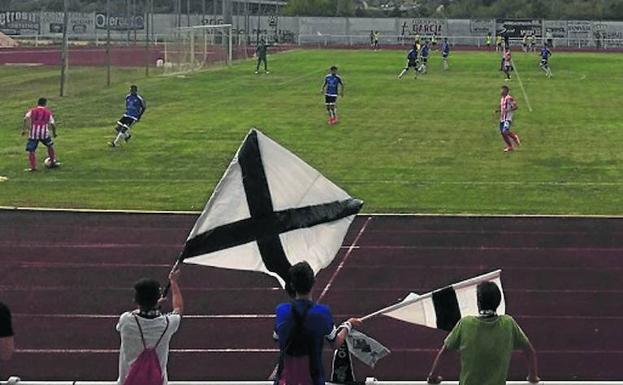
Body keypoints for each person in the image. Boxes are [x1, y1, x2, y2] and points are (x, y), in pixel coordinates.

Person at [426, 281, 540, 385]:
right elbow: (529, 350)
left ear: (478, 302)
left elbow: (444, 352)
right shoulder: (508, 323)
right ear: (498, 302)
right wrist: (533, 376)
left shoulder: (465, 324)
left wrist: (433, 377)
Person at [273, 262, 362, 385]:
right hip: (312, 380)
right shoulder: (322, 313)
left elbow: (277, 337)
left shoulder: (281, 311)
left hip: (285, 380)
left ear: (292, 285)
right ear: (313, 283)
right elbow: (335, 343)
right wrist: (348, 325)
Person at [116, 269, 183, 385]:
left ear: (136, 300)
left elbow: (135, 313)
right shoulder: (167, 323)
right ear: (157, 299)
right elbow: (178, 308)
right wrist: (173, 282)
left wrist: (154, 306)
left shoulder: (126, 320)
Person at [22, 97, 59, 172]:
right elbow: (52, 124)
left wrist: (25, 129)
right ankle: (52, 162)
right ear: (45, 104)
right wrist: (54, 133)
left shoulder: (32, 110)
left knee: (31, 150)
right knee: (50, 146)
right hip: (44, 133)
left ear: (38, 103)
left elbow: (25, 118)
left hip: (33, 133)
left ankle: (33, 167)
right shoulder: (48, 112)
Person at [496, 85, 521, 152]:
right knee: (502, 133)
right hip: (502, 118)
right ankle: (510, 146)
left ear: (506, 91)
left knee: (505, 131)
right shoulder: (502, 98)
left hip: (507, 118)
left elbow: (516, 107)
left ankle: (514, 137)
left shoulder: (509, 98)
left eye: (502, 90)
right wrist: (498, 110)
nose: (501, 91)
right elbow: (502, 107)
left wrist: (508, 110)